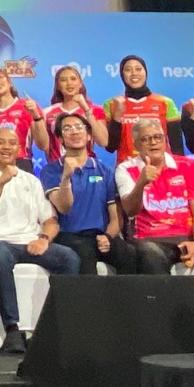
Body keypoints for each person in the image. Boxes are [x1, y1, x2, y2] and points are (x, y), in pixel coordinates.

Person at [0, 127, 80, 350]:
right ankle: (13, 328)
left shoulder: (31, 180)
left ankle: (60, 324)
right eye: (1, 143)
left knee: (69, 257)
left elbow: (50, 221)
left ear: (19, 149)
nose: (6, 147)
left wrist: (43, 239)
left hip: (31, 241)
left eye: (12, 143)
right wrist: (1, 183)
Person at [114, 118, 194, 275]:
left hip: (187, 236)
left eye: (158, 137)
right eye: (146, 139)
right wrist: (141, 183)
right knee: (151, 254)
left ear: (165, 140)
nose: (153, 142)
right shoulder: (125, 169)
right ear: (136, 145)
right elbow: (130, 210)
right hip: (149, 238)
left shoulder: (186, 165)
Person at [41, 114, 128, 274]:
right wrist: (66, 177)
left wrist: (108, 236)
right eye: (67, 128)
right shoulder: (51, 171)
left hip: (100, 235)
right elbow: (64, 207)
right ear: (60, 139)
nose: (74, 132)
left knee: (128, 253)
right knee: (85, 253)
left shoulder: (104, 171)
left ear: (88, 136)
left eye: (79, 127)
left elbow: (115, 217)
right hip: (69, 235)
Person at [104, 55, 182, 161]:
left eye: (138, 69)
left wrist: (180, 167)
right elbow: (110, 147)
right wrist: (117, 115)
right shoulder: (112, 104)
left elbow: (177, 147)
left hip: (161, 166)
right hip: (127, 166)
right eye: (128, 70)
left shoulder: (165, 102)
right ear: (122, 75)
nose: (134, 73)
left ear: (145, 72)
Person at [0, 66, 47, 166]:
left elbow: (43, 145)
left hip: (20, 163)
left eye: (0, 77)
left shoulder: (27, 106)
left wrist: (36, 116)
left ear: (9, 82)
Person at [44, 66, 110, 159]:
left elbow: (103, 142)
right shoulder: (47, 113)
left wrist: (86, 110)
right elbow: (45, 146)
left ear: (80, 83)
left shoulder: (95, 110)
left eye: (73, 79)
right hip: (57, 165)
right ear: (58, 86)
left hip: (86, 165)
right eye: (63, 80)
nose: (69, 83)